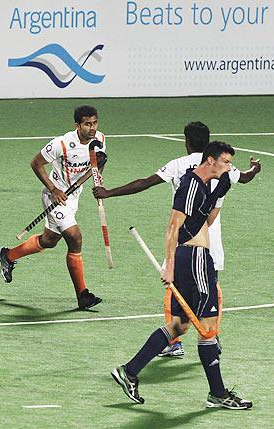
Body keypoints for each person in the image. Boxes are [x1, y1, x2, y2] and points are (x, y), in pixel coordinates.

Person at [93, 122, 261, 357]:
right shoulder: (223, 166)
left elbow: (144, 183)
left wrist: (109, 192)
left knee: (175, 288)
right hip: (211, 238)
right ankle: (211, 336)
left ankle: (175, 343)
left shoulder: (179, 165)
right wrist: (255, 168)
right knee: (211, 287)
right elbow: (245, 178)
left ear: (187, 142)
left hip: (186, 237)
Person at [111, 141, 253, 410]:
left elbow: (207, 222)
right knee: (208, 328)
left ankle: (129, 371)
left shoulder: (206, 187)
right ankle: (218, 393)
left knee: (180, 326)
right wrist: (169, 267)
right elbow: (172, 227)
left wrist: (219, 194)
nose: (229, 167)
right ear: (209, 160)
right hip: (195, 259)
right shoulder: (190, 186)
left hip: (194, 259)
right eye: (225, 162)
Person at [0, 105, 106, 310]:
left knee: (49, 240)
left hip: (73, 197)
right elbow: (36, 163)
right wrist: (53, 189)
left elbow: (95, 168)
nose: (92, 128)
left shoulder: (100, 139)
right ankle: (83, 295)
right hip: (55, 197)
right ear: (77, 125)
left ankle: (7, 255)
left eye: (95, 123)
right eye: (87, 124)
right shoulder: (62, 144)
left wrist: (98, 169)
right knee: (75, 237)